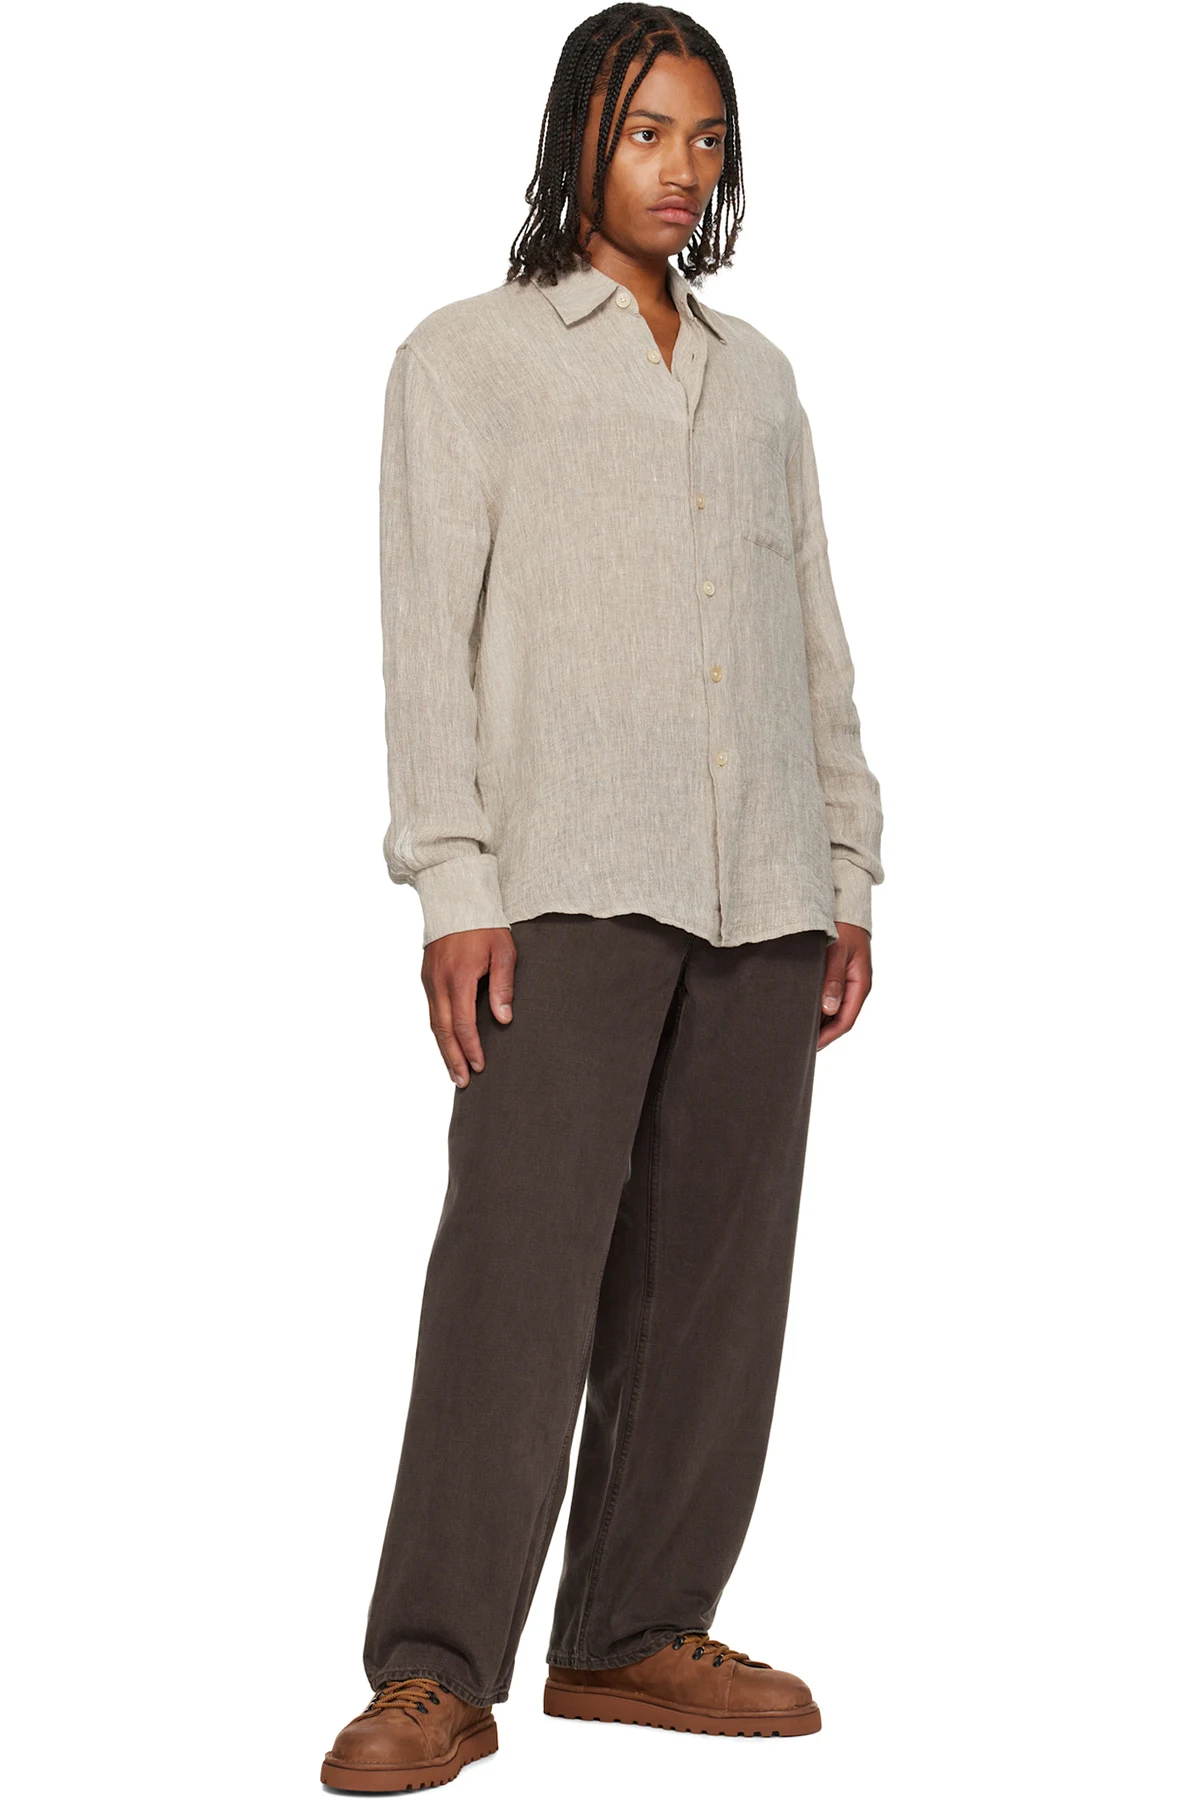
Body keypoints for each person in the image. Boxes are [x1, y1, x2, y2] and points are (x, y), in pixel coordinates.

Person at [320, 3, 884, 1789]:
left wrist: (847, 865)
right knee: (516, 1274)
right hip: (561, 878)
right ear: (578, 134)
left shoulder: (760, 381)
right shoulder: (466, 361)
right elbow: (427, 645)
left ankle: (633, 1632)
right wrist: (453, 885)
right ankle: (435, 1667)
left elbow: (813, 640)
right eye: (648, 130)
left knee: (716, 1288)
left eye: (708, 138)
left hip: (763, 886)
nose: (681, 168)